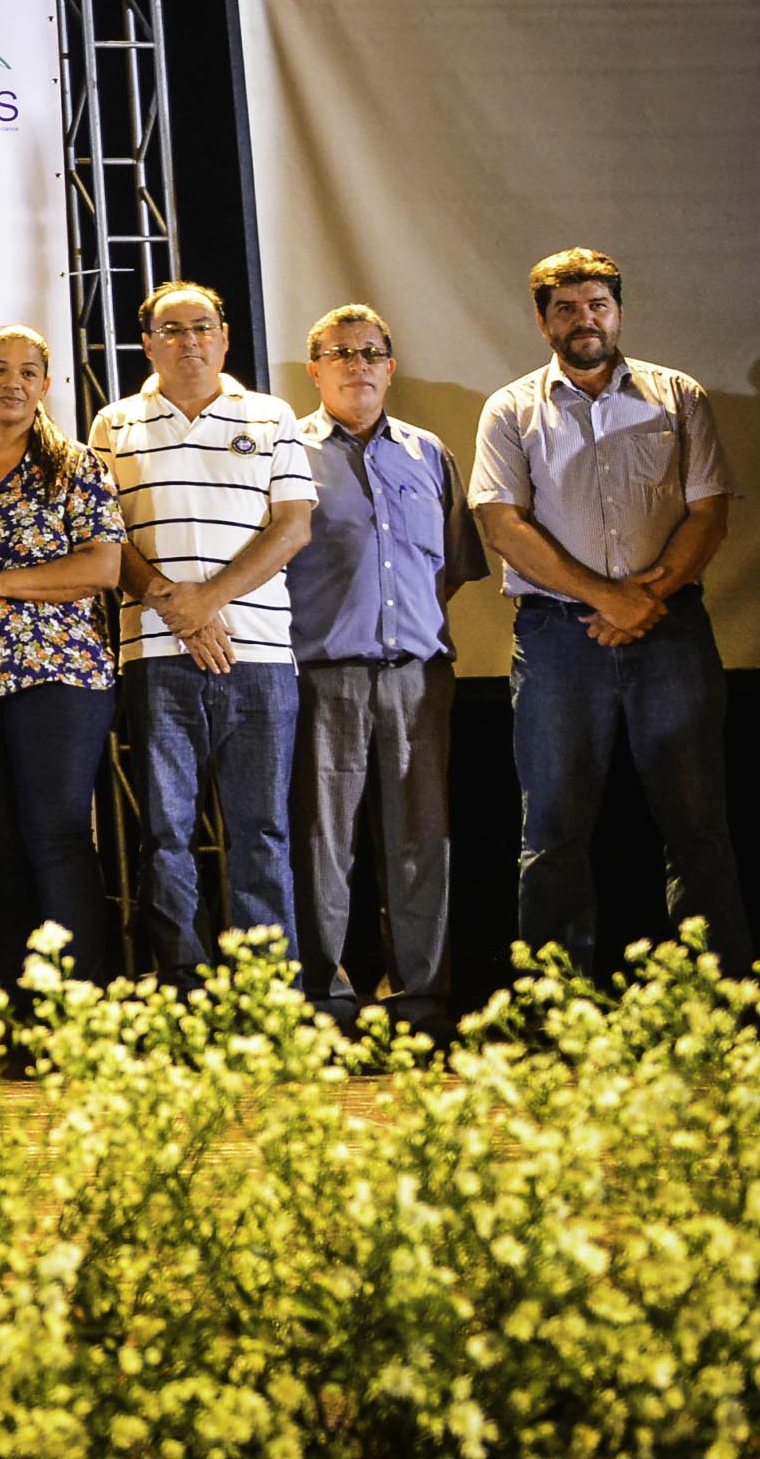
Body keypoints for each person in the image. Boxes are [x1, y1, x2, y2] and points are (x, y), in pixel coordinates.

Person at [470, 248, 750, 967]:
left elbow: (710, 511)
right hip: (555, 637)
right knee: (552, 830)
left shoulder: (677, 395)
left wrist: (643, 602)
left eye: (597, 305)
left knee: (696, 824)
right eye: (565, 309)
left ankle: (713, 994)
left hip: (670, 630)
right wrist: (608, 600)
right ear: (542, 322)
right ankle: (558, 1003)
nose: (583, 320)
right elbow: (501, 524)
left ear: (618, 313)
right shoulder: (510, 408)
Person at [91, 281, 315, 986]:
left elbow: (293, 527)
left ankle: (265, 992)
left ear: (223, 338)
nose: (188, 340)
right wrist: (172, 605)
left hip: (259, 653)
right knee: (165, 834)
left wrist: (208, 601)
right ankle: (183, 987)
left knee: (262, 830)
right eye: (171, 329)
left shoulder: (271, 415)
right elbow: (105, 537)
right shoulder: (113, 424)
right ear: (146, 343)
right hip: (155, 652)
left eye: (201, 327)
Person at [284, 305, 485, 1028]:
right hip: (322, 678)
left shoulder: (429, 453)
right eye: (340, 353)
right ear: (315, 369)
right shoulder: (286, 451)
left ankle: (418, 1000)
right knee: (320, 846)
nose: (357, 365)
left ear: (390, 367)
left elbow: (451, 567)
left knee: (420, 843)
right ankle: (324, 1002)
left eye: (370, 352)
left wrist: (393, 621)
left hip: (417, 679)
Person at [0, 326, 127, 982]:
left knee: (55, 834)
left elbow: (101, 568)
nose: (12, 382)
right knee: (0, 840)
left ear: (45, 385)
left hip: (59, 671)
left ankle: (77, 1002)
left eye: (28, 371)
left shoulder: (75, 465)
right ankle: (16, 1005)